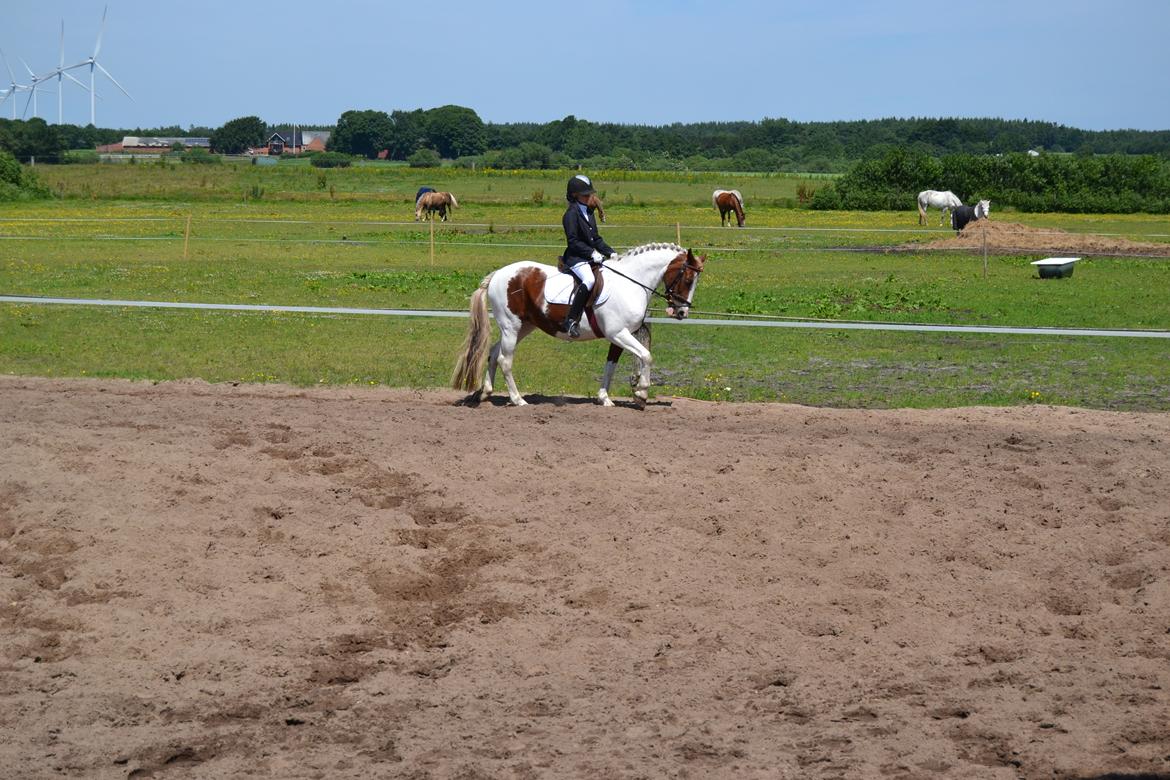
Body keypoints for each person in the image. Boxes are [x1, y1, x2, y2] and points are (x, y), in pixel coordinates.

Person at [561, 175, 616, 337]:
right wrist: (591, 253)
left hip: (590, 257)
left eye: (589, 194)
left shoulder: (589, 212)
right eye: (585, 195)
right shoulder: (570, 215)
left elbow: (596, 239)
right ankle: (571, 319)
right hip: (575, 258)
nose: (589, 197)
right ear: (574, 195)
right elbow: (573, 242)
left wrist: (610, 252)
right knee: (590, 280)